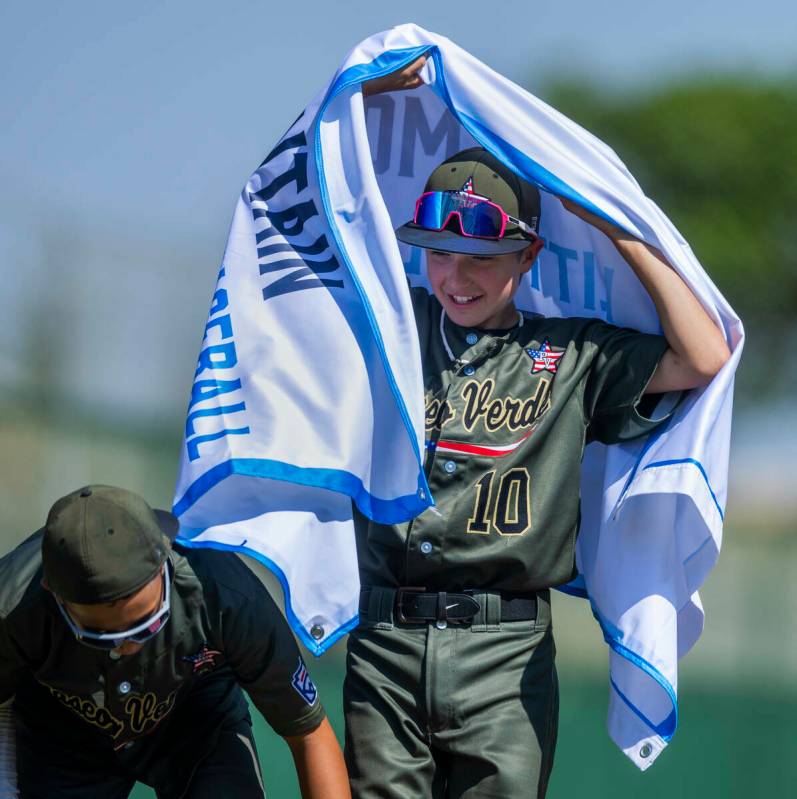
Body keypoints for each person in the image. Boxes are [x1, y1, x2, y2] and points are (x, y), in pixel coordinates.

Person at [345, 62, 731, 798]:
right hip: (384, 639)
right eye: (438, 252)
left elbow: (702, 355)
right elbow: (318, 196)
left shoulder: (573, 354)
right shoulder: (392, 323)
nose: (455, 276)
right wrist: (365, 93)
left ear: (527, 254)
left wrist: (617, 221)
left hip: (505, 652)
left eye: (482, 257)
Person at [0, 484, 351, 799]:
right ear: (55, 595)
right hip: (65, 736)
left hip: (194, 718)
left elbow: (308, 734)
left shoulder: (225, 594)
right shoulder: (12, 608)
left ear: (164, 558)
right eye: (103, 638)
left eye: (146, 627)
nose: (127, 648)